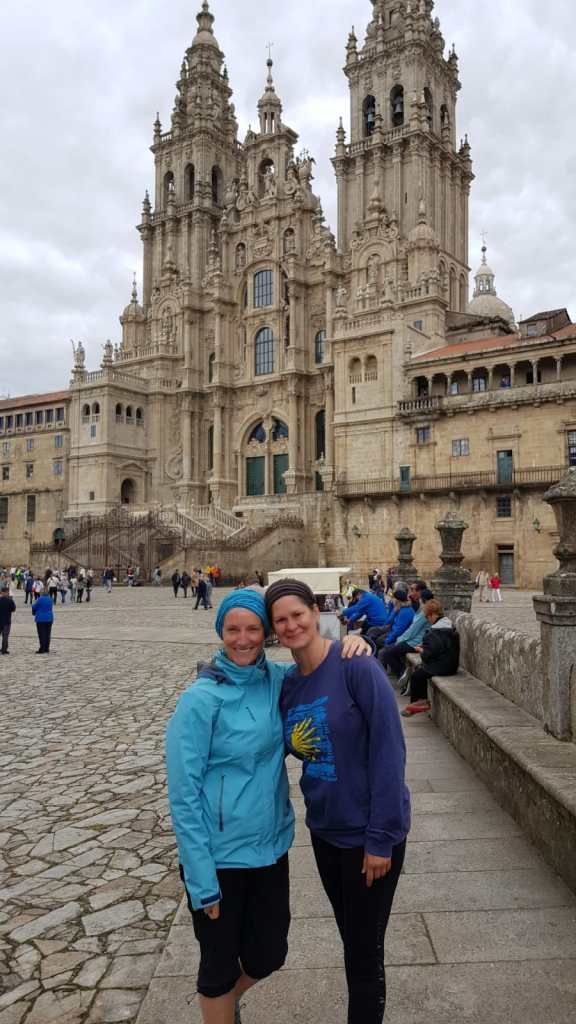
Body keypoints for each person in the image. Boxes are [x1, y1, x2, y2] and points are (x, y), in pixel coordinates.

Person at [165, 589, 371, 1024]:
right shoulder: (199, 700)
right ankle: (220, 1008)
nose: (242, 639)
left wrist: (352, 641)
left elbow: (315, 659)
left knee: (270, 954)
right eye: (232, 630)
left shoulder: (279, 682)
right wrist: (200, 877)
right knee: (218, 967)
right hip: (219, 856)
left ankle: (225, 1004)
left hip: (269, 849)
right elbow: (183, 795)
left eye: (252, 629)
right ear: (220, 632)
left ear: (265, 632)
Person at [265, 579, 410, 1024]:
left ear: (316, 611)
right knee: (353, 941)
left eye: (298, 614)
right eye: (280, 620)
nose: (291, 625)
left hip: (369, 836)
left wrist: (381, 838)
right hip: (325, 832)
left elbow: (389, 751)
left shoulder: (356, 665)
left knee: (364, 954)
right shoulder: (288, 685)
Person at [401, 600, 460, 717]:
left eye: (427, 617)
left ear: (433, 615)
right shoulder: (448, 626)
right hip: (451, 664)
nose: (427, 620)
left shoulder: (435, 632)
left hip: (442, 666)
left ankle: (420, 702)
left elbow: (428, 654)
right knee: (420, 669)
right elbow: (439, 648)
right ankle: (419, 702)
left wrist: (421, 650)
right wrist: (425, 647)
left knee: (417, 675)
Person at [378, 588, 434, 683]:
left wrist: (399, 640)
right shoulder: (421, 610)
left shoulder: (424, 613)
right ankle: (401, 673)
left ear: (422, 600)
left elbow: (412, 630)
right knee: (387, 648)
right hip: (412, 640)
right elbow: (390, 621)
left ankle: (401, 673)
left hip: (415, 643)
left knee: (387, 652)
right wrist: (392, 607)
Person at [0, 585, 16, 654]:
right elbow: (13, 609)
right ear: (5, 592)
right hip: (6, 621)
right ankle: (4, 650)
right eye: (8, 592)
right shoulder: (10, 600)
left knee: (5, 636)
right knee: (5, 636)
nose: (8, 593)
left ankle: (3, 649)